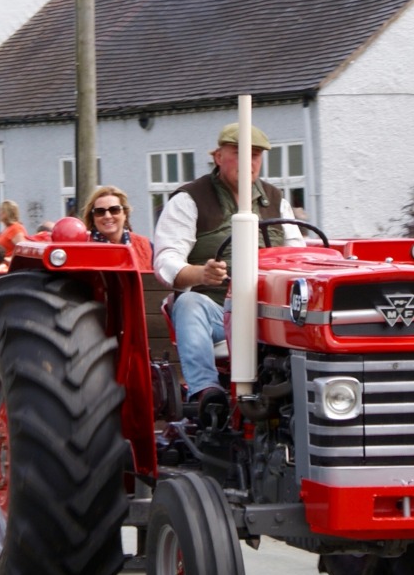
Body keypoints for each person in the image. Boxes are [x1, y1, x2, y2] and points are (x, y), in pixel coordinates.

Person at [153, 122, 304, 410]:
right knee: (188, 303)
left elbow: (297, 254)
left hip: (271, 313)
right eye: (238, 152)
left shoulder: (276, 200)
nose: (248, 162)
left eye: (256, 155)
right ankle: (206, 392)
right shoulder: (190, 199)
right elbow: (166, 260)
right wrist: (201, 273)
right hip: (218, 310)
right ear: (218, 156)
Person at [81, 185, 153, 271]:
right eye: (100, 211)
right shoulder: (81, 249)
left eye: (114, 210)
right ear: (93, 217)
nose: (107, 216)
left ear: (125, 214)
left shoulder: (147, 247)